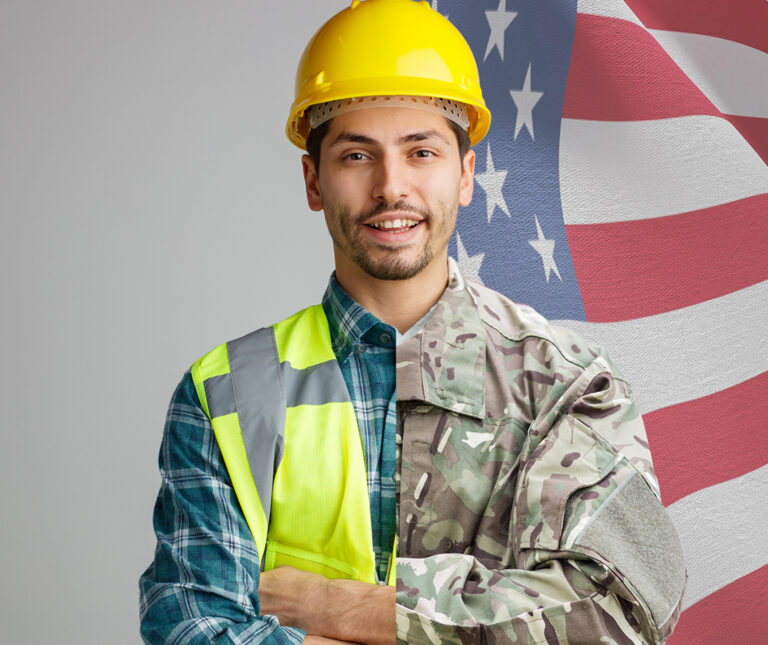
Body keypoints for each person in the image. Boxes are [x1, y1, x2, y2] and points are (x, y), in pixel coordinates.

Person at [139, 0, 686, 643]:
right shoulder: (225, 393)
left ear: (465, 175)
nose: (391, 187)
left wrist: (341, 607)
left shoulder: (567, 386)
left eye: (421, 152)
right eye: (356, 156)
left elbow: (616, 616)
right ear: (313, 181)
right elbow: (190, 630)